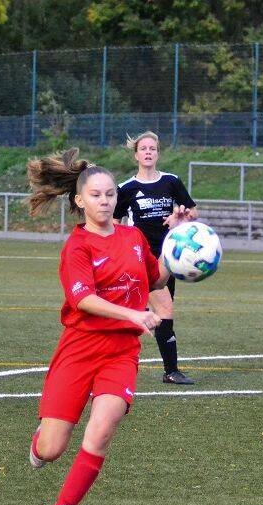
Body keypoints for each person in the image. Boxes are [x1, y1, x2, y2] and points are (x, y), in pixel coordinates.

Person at [26, 148, 189, 505]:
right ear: (80, 201)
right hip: (79, 348)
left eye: (111, 194)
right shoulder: (77, 246)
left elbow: (155, 278)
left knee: (101, 430)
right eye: (96, 195)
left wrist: (179, 245)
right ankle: (40, 443)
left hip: (121, 353)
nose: (105, 201)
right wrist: (133, 315)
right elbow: (83, 299)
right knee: (52, 448)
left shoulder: (133, 237)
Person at [113, 131, 198, 385]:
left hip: (169, 257)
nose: (148, 152)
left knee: (159, 314)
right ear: (136, 155)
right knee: (164, 309)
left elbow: (193, 212)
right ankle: (171, 371)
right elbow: (114, 224)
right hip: (141, 257)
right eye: (143, 148)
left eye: (152, 148)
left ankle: (125, 347)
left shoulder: (171, 181)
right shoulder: (126, 188)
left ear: (158, 153)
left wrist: (179, 217)